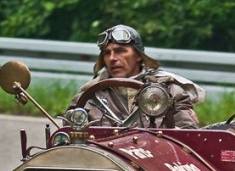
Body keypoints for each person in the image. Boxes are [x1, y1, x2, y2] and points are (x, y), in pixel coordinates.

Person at [66, 24, 205, 128]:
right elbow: (71, 143)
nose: (112, 58)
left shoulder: (171, 92)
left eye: (120, 51)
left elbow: (189, 137)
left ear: (139, 56)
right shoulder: (87, 98)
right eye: (107, 53)